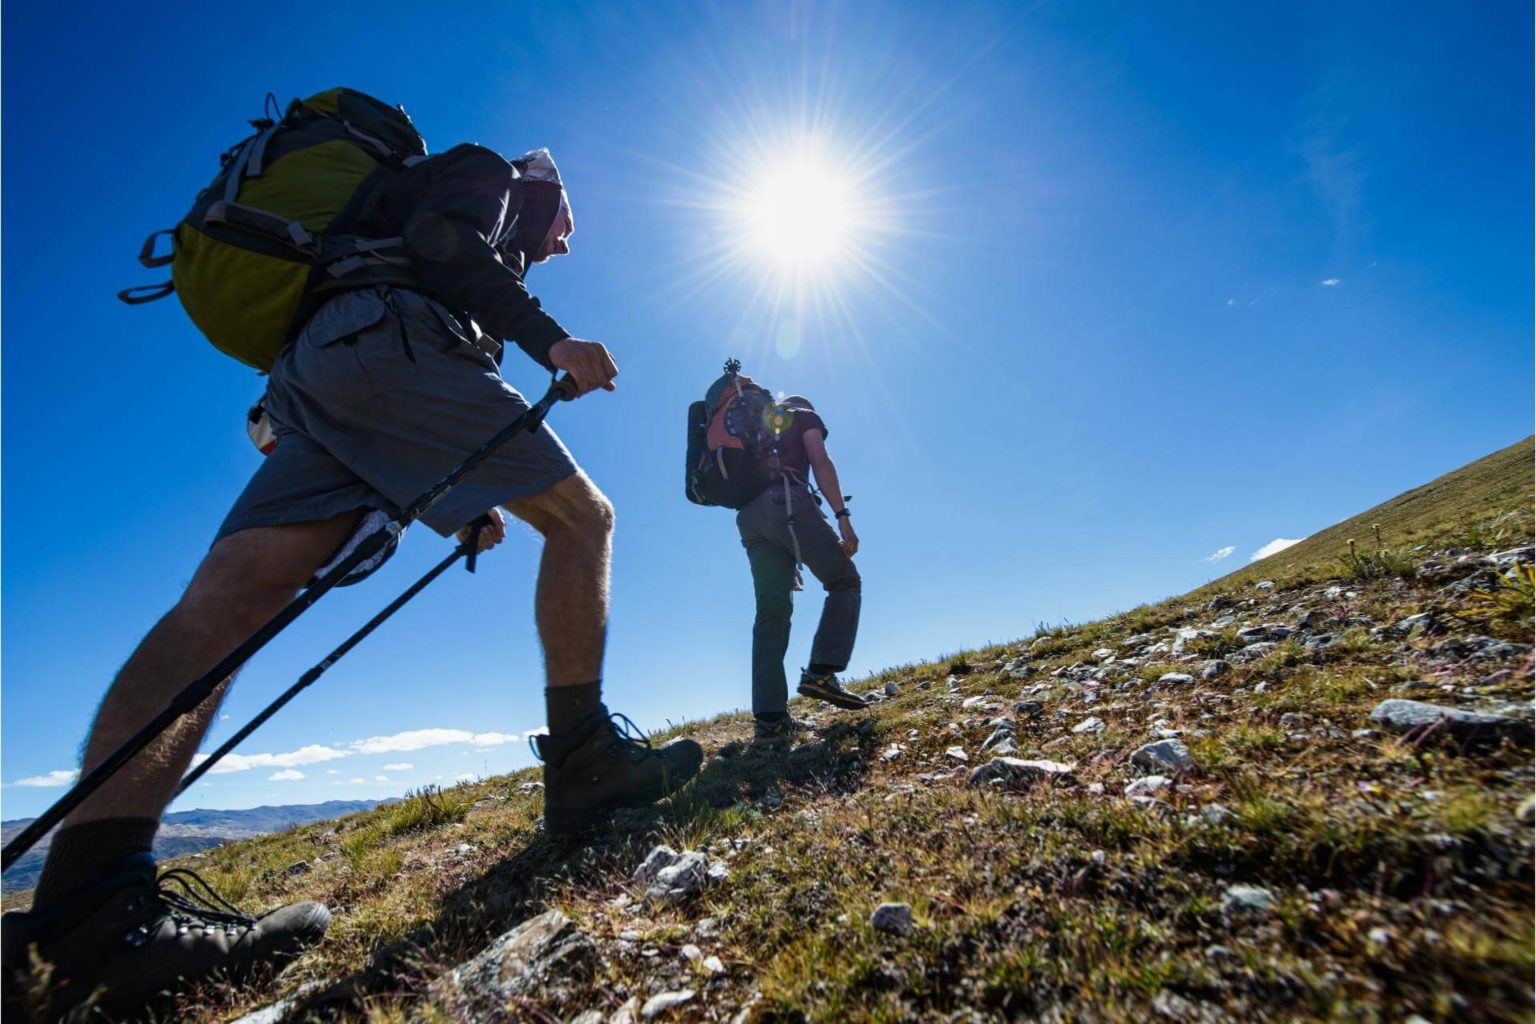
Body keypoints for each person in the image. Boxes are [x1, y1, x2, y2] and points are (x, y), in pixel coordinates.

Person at [1, 142, 703, 1018]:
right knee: (583, 519)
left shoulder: (384, 223)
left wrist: (465, 496)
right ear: (545, 191)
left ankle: (86, 913)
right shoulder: (492, 175)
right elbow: (447, 241)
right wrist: (548, 337)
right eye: (567, 225)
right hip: (390, 340)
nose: (563, 244)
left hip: (323, 366)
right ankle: (588, 761)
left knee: (219, 610)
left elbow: (425, 296)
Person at [738, 394, 866, 744]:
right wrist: (843, 519)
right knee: (844, 580)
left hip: (749, 520)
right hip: (787, 502)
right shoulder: (804, 414)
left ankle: (770, 721)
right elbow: (820, 460)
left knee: (771, 613)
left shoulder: (755, 428)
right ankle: (822, 672)